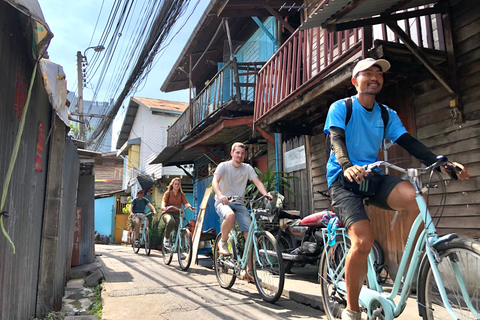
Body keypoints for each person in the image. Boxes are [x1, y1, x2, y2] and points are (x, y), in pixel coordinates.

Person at [323, 58, 470, 320]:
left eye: (378, 74)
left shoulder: (385, 113)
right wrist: (346, 165)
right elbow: (336, 138)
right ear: (355, 81)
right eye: (368, 73)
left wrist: (442, 163)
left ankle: (409, 258)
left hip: (374, 177)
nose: (375, 77)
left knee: (417, 197)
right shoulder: (341, 107)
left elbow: (408, 142)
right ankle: (352, 309)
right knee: (363, 241)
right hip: (344, 181)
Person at [212, 142, 272, 282]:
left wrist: (266, 194)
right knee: (230, 216)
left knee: (250, 236)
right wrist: (220, 195)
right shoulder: (224, 166)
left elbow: (257, 182)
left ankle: (249, 271)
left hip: (239, 203)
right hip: (223, 201)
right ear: (232, 153)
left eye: (242, 153)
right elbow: (215, 181)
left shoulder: (247, 168)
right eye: (237, 153)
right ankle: (224, 241)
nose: (240, 155)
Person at [161, 177, 195, 243]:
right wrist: (163, 207)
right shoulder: (168, 193)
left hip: (177, 213)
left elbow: (186, 203)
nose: (177, 185)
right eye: (175, 184)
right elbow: (164, 201)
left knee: (179, 228)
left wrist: (190, 207)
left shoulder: (181, 194)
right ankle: (166, 238)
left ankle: (179, 245)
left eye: (178, 184)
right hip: (168, 212)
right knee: (171, 221)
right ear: (172, 185)